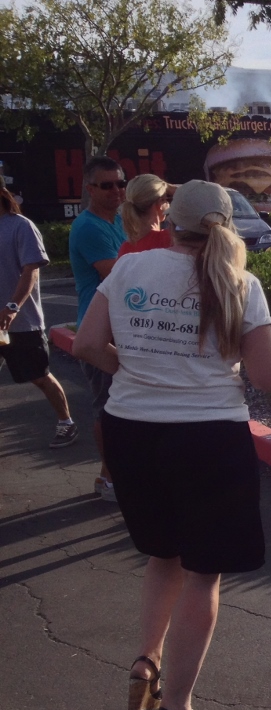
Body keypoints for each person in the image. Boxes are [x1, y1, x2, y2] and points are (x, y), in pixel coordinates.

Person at [72, 180, 271, 710]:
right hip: (209, 436)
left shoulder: (131, 269)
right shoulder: (242, 283)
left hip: (131, 430)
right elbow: (265, 378)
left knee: (162, 555)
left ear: (170, 219)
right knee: (204, 573)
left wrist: (135, 367)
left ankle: (146, 660)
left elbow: (87, 344)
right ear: (225, 223)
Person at [0, 185, 77, 448]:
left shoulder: (21, 226)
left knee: (39, 376)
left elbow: (30, 270)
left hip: (21, 322)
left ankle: (66, 423)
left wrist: (12, 306)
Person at [69, 156, 127, 500]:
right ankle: (108, 477)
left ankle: (122, 471)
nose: (117, 191)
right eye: (107, 185)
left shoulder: (118, 220)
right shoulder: (88, 227)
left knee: (123, 403)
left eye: (121, 183)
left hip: (120, 327)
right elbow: (117, 273)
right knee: (107, 406)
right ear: (90, 188)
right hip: (99, 333)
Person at [118, 174, 174, 257]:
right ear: (160, 202)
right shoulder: (170, 238)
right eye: (167, 199)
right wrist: (170, 187)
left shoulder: (125, 249)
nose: (168, 204)